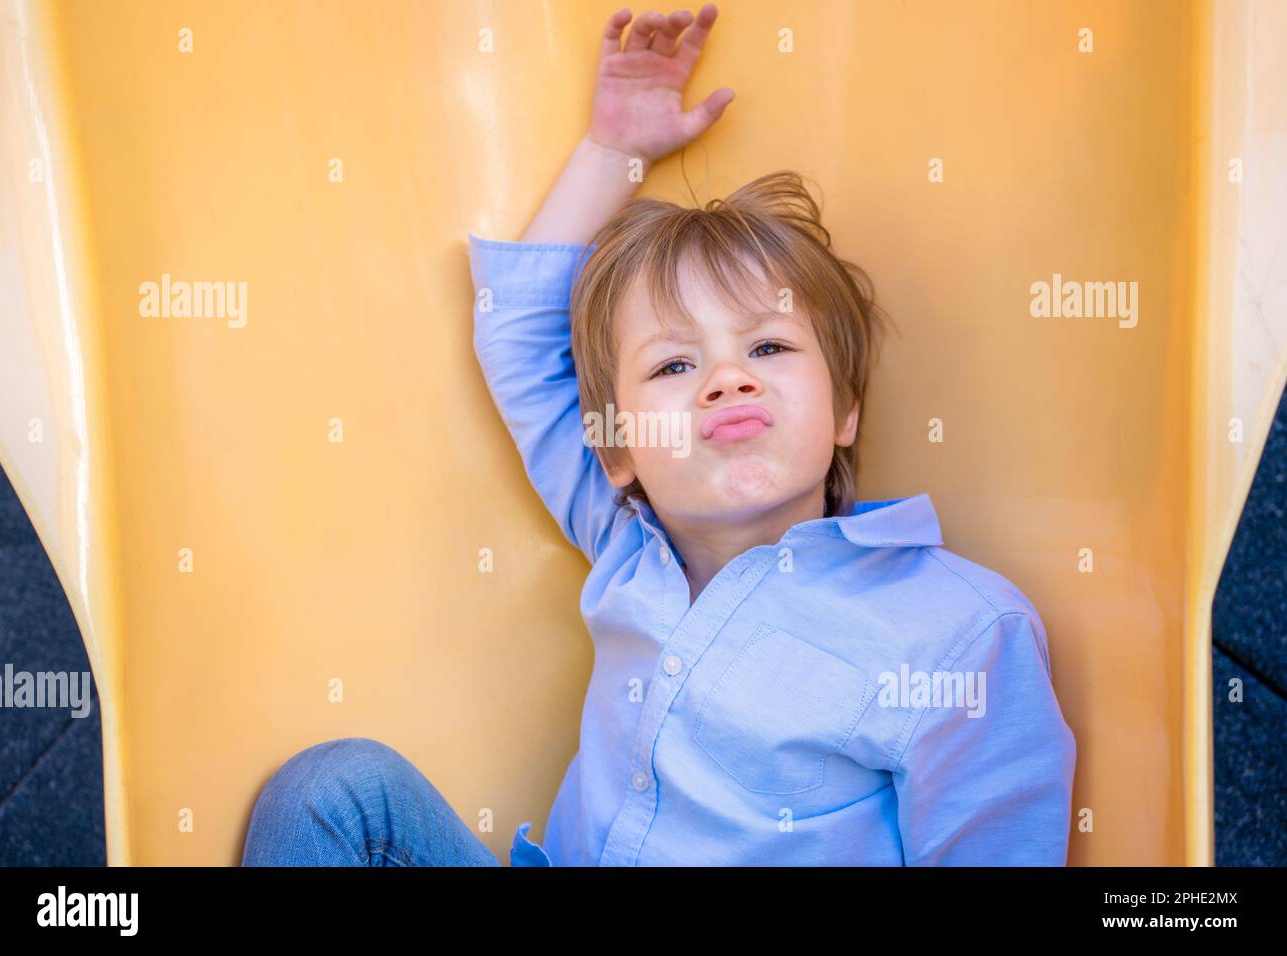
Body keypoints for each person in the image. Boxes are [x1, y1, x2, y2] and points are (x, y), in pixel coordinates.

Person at [242, 3, 1076, 868]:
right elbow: (517, 333)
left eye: (769, 346)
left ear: (844, 411)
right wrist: (615, 150)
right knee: (336, 795)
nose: (727, 377)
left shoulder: (960, 632)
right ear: (618, 450)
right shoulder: (623, 536)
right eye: (676, 367)